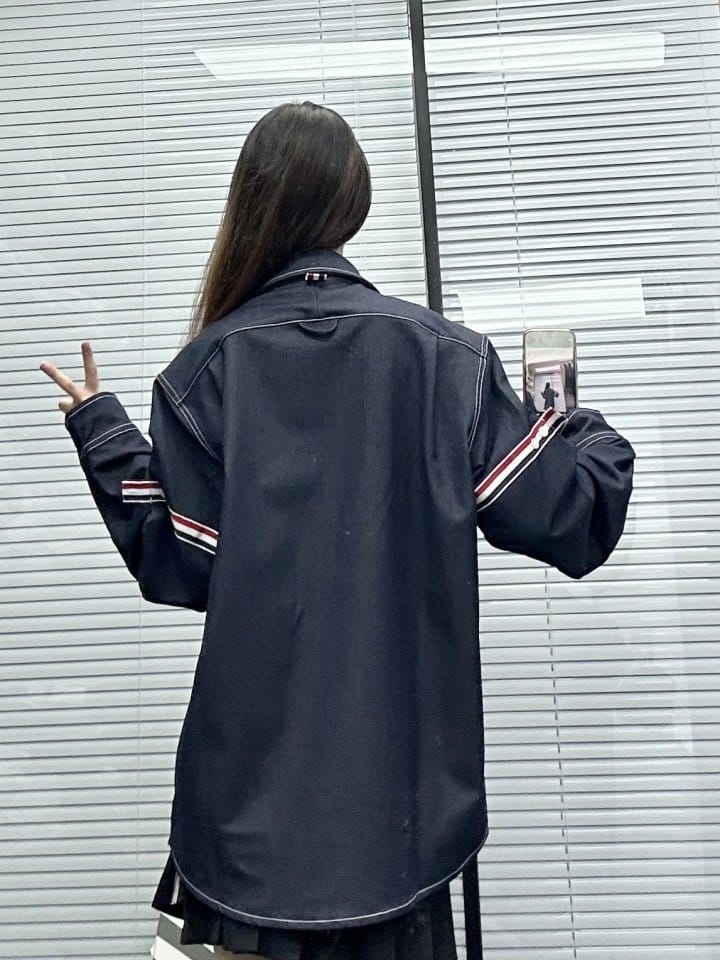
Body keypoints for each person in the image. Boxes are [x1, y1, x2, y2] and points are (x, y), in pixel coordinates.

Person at [39, 102, 635, 960]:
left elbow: (181, 565)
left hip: (247, 837)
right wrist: (573, 425)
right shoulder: (448, 362)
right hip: (399, 832)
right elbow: (573, 518)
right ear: (353, 203)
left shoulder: (203, 374)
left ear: (251, 203)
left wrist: (103, 430)